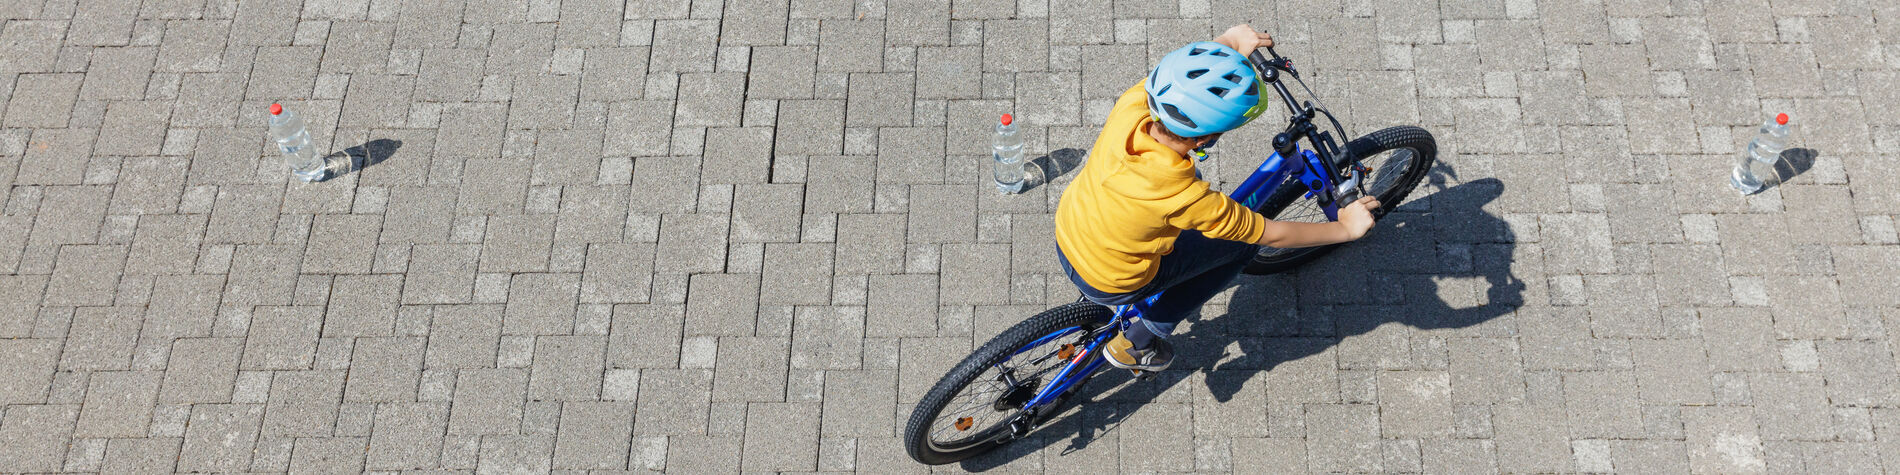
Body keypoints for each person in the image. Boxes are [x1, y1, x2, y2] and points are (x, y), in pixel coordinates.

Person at [1053, 24, 1382, 372]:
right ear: (1204, 140)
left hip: (1072, 231)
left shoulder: (1133, 108)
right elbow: (1272, 234)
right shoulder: (1182, 195)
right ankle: (1142, 337)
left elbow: (1181, 84)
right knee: (1240, 246)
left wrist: (1230, 44)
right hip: (1113, 279)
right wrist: (1346, 229)